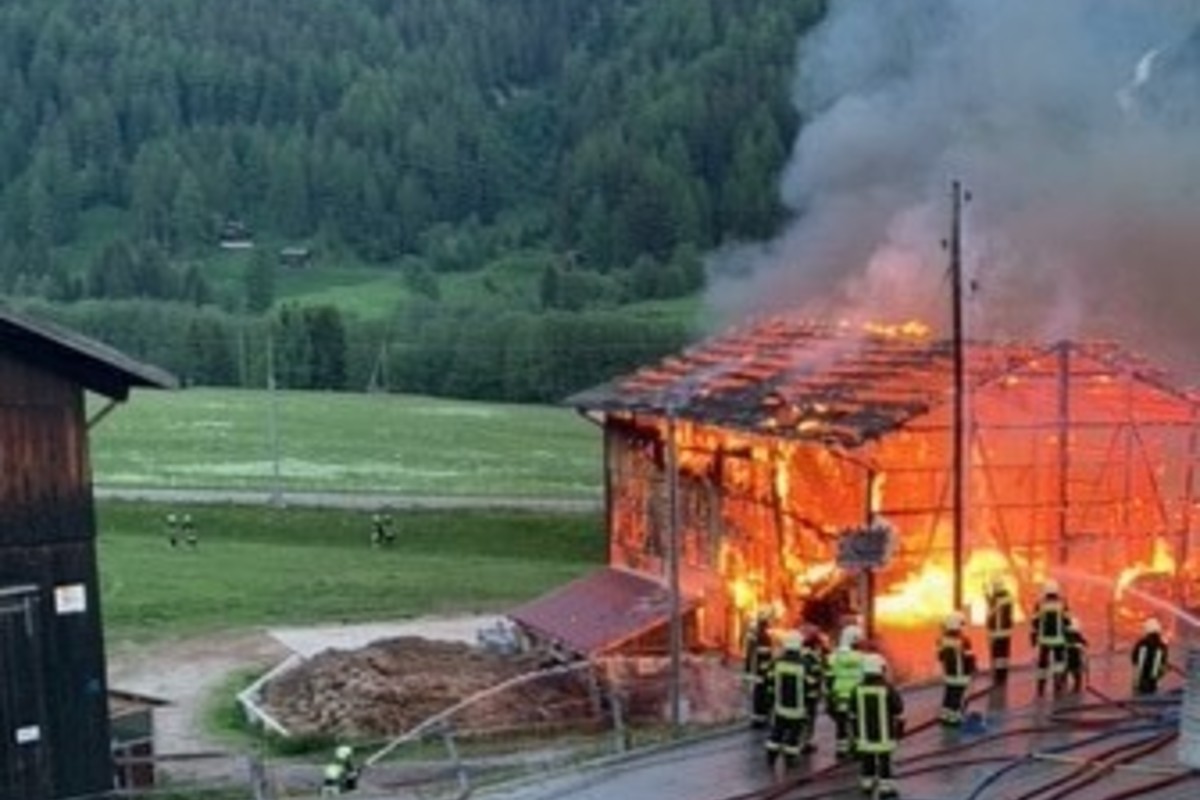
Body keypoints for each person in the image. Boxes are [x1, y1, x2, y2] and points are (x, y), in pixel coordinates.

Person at [848, 653, 905, 799]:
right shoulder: (888, 689)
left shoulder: (856, 689)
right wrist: (899, 732)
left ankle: (867, 784)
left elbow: (852, 715)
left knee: (867, 760)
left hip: (864, 737)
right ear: (881, 669)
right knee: (884, 761)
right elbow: (899, 710)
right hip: (884, 737)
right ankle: (885, 788)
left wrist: (855, 736)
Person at [765, 631, 810, 767]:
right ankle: (790, 759)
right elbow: (810, 685)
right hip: (798, 708)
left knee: (777, 731)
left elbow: (770, 682)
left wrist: (771, 700)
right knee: (794, 734)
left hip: (780, 706)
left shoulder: (777, 662)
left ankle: (771, 757)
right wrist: (808, 703)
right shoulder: (804, 664)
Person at [827, 623, 866, 759]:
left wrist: (829, 695)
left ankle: (841, 750)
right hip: (857, 697)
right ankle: (857, 749)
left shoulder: (834, 657)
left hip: (840, 696)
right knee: (857, 723)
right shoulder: (862, 658)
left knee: (841, 723)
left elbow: (829, 677)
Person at [1030, 579, 1068, 697]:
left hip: (1044, 640)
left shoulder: (1040, 604)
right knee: (1058, 663)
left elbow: (1035, 622)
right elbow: (1067, 621)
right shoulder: (1062, 604)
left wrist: (1034, 637)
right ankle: (1057, 684)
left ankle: (1041, 687)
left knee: (1042, 664)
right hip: (1059, 640)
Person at [937, 611, 976, 726]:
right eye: (961, 624)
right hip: (961, 674)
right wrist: (972, 670)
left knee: (949, 694)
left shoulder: (942, 640)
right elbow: (969, 658)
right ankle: (954, 720)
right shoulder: (964, 640)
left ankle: (945, 717)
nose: (963, 627)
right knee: (958, 697)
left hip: (948, 674)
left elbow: (940, 657)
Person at [799, 623, 828, 754]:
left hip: (801, 694)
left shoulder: (803, 655)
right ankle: (805, 742)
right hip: (810, 695)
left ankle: (801, 741)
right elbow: (816, 676)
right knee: (808, 718)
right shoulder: (812, 659)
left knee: (803, 718)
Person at [743, 610, 774, 727]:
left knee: (757, 696)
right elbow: (767, 657)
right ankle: (761, 719)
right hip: (762, 673)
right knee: (762, 696)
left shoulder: (753, 636)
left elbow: (748, 655)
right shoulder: (765, 637)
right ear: (765, 623)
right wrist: (769, 671)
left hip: (754, 672)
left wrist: (747, 671)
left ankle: (756, 719)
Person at [985, 576, 1014, 685]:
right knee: (1004, 655)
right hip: (1006, 632)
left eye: (993, 586)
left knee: (997, 656)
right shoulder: (1008, 596)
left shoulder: (996, 598)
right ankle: (1003, 677)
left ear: (996, 586)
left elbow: (991, 613)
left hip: (996, 632)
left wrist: (987, 597)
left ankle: (998, 678)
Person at [1131, 617, 1169, 695]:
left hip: (1140, 682)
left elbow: (1134, 659)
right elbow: (1163, 663)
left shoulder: (1141, 643)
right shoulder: (1162, 645)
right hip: (1154, 683)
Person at [1064, 616, 1089, 693]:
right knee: (1073, 670)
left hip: (1070, 654)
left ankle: (1075, 686)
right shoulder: (1074, 633)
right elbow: (1084, 642)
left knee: (1070, 670)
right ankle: (1076, 686)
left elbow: (1083, 642)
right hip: (1072, 654)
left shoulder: (1066, 633)